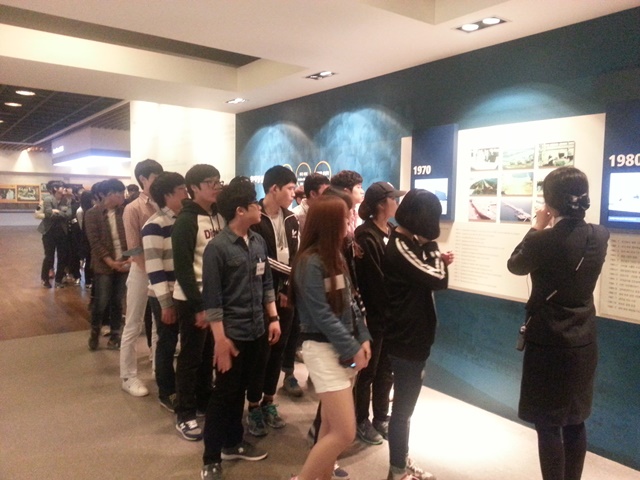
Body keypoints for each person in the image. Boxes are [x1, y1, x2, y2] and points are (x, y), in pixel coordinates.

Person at [507, 167, 609, 480]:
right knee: (576, 421)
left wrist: (536, 226)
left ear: (549, 202)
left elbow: (515, 265)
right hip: (584, 340)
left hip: (548, 341)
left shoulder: (544, 240)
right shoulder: (600, 235)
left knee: (549, 424)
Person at [200, 178, 280, 480]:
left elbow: (266, 282)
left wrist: (274, 317)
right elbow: (213, 300)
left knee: (243, 390)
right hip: (231, 335)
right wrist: (220, 341)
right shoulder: (217, 248)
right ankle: (211, 457)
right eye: (254, 204)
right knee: (224, 395)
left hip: (257, 330)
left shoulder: (258, 241)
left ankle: (233, 443)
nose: (259, 208)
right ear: (240, 210)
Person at [290, 195, 372, 480]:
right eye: (345, 218)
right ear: (329, 223)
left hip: (342, 350)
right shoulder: (309, 262)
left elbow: (352, 303)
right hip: (323, 351)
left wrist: (363, 338)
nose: (350, 222)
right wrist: (352, 347)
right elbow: (322, 315)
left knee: (329, 425)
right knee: (345, 432)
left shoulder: (335, 257)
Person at [383, 189, 453, 480]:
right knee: (402, 410)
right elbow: (439, 278)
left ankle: (400, 462)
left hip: (413, 337)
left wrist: (433, 256)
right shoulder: (400, 247)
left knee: (405, 409)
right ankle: (397, 470)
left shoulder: (410, 244)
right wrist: (435, 251)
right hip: (406, 339)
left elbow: (432, 274)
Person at [246, 165, 300, 437]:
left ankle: (269, 400)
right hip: (260, 295)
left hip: (286, 295)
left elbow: (296, 254)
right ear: (273, 188)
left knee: (279, 350)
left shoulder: (291, 219)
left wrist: (288, 285)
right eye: (290, 188)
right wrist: (290, 274)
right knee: (261, 353)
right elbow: (261, 259)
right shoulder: (254, 216)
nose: (294, 193)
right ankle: (253, 405)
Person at [172, 164, 225, 441]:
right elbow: (182, 268)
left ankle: (203, 400)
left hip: (215, 298)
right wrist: (199, 307)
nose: (216, 186)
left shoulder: (218, 215)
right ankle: (185, 413)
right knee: (191, 358)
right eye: (209, 182)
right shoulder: (186, 221)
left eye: (218, 181)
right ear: (193, 188)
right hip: (193, 299)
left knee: (207, 355)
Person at [354, 182, 405, 445]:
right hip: (373, 316)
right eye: (393, 198)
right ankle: (360, 419)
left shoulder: (393, 230)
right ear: (381, 204)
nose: (397, 202)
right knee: (368, 370)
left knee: (386, 369)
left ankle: (381, 416)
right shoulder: (366, 235)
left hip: (392, 315)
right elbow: (375, 280)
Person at [142, 172, 189, 412]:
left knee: (187, 343)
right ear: (168, 195)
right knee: (167, 344)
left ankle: (185, 388)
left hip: (185, 292)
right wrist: (166, 304)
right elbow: (154, 268)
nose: (186, 193)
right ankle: (167, 391)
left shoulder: (187, 220)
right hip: (166, 295)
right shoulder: (154, 225)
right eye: (182, 189)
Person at [120, 159, 164, 397]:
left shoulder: (163, 203)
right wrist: (152, 272)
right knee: (133, 323)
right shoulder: (133, 208)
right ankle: (128, 376)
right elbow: (134, 249)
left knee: (158, 323)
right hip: (141, 271)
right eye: (155, 178)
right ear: (143, 179)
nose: (159, 182)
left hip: (161, 270)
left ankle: (158, 366)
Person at [84, 179, 130, 351]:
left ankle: (115, 335)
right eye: (119, 193)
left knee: (118, 301)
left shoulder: (124, 212)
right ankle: (95, 332)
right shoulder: (92, 214)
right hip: (104, 265)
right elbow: (94, 242)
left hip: (124, 262)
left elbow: (131, 237)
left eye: (123, 193)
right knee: (101, 301)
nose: (122, 197)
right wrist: (111, 262)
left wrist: (128, 258)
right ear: (107, 194)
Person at [38, 180, 72, 288]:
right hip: (49, 233)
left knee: (62, 256)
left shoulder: (66, 200)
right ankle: (45, 279)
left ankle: (58, 280)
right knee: (49, 256)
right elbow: (48, 214)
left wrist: (57, 212)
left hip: (62, 232)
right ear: (55, 189)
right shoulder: (47, 199)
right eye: (61, 187)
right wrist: (61, 214)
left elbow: (69, 215)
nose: (64, 189)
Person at [330, 170, 365, 237]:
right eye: (358, 187)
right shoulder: (338, 213)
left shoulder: (358, 209)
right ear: (346, 191)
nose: (362, 191)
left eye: (361, 187)